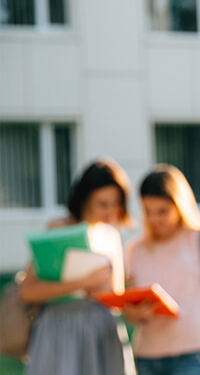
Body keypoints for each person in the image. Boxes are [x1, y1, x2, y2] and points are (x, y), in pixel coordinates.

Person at [18, 158, 132, 374]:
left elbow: (116, 295)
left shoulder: (111, 235)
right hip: (61, 330)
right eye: (103, 204)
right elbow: (27, 291)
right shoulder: (59, 228)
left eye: (116, 204)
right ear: (85, 199)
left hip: (103, 332)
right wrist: (83, 283)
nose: (110, 212)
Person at [123, 165, 200, 375]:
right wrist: (138, 313)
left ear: (180, 205)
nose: (155, 219)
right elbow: (130, 312)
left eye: (163, 211)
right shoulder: (135, 249)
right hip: (146, 356)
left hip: (194, 355)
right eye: (148, 211)